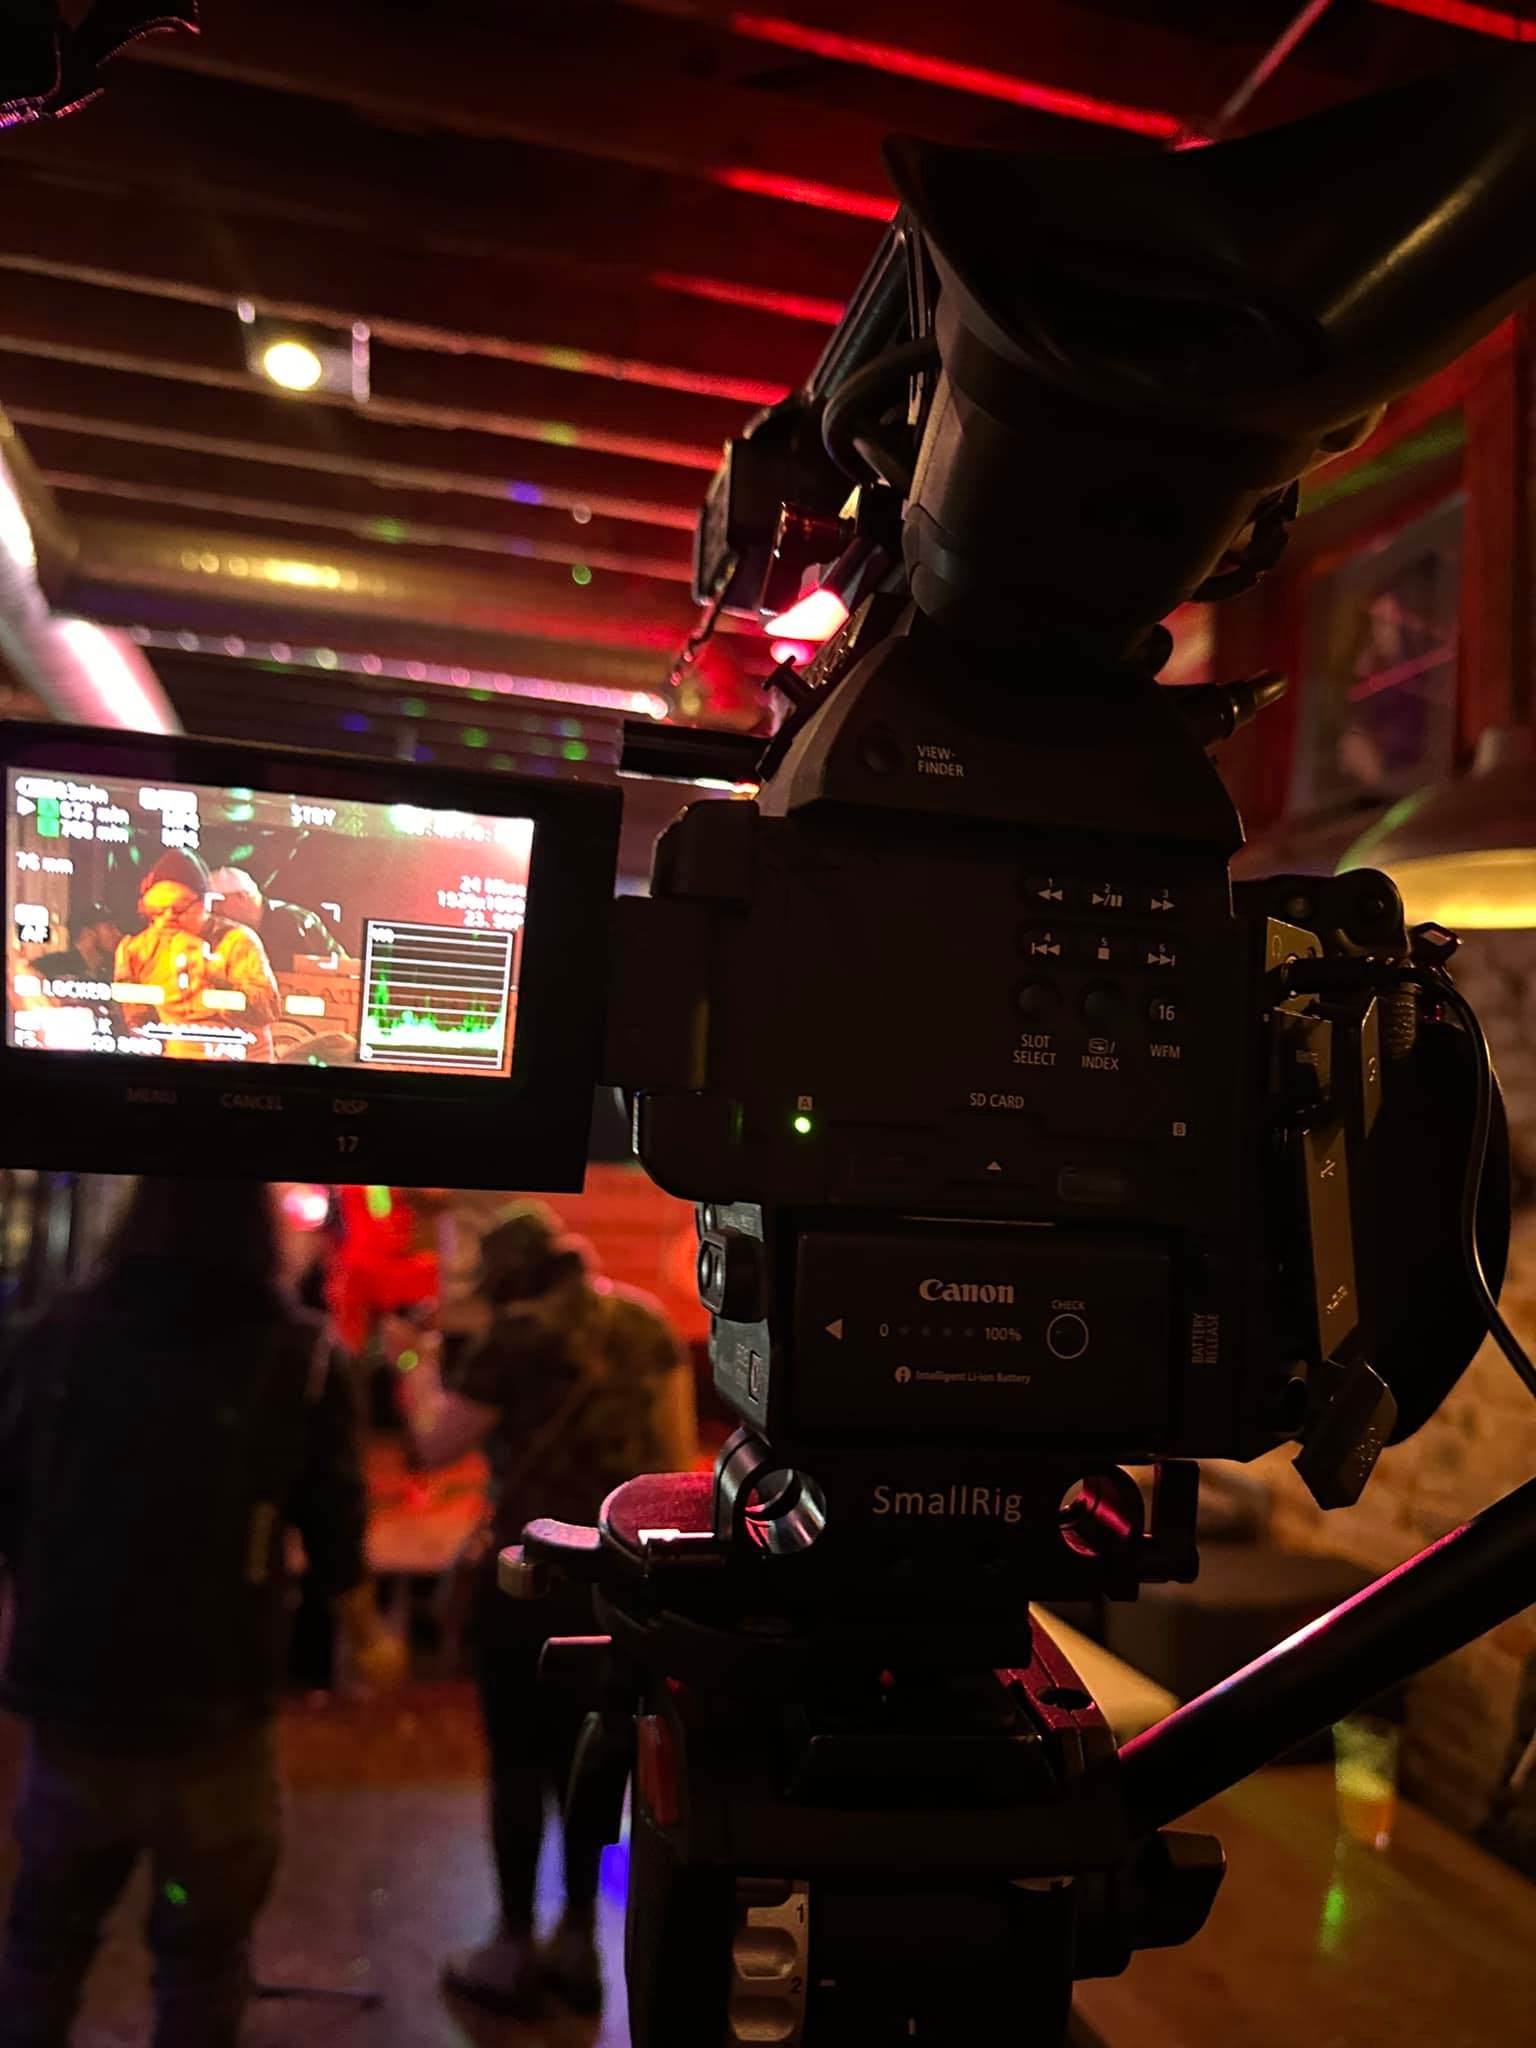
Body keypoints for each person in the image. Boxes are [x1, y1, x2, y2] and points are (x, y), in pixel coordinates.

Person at [0, 1176, 402, 2048]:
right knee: (205, 1963)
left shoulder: (52, 1339)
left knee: (43, 1949)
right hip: (215, 1709)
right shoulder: (298, 1356)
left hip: (73, 1700)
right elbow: (335, 1528)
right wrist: (369, 1642)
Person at [398, 1200, 695, 2019]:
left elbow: (433, 1445)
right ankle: (577, 1944)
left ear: (506, 1278)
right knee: (596, 1762)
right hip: (623, 1588)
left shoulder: (512, 1340)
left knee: (519, 1765)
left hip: (529, 1584)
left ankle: (512, 1944)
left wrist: (408, 1365)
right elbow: (671, 1465)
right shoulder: (641, 1323)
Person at [114, 850, 280, 1060]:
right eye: (156, 912)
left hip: (242, 1060)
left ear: (205, 904)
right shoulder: (136, 950)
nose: (166, 919)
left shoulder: (237, 941)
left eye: (179, 910)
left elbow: (268, 1009)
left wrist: (215, 977)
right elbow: (135, 1021)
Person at [207, 866, 344, 976]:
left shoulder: (295, 920)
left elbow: (341, 966)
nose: (213, 909)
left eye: (218, 902)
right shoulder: (222, 931)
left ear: (241, 897)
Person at [33, 902, 122, 985]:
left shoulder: (109, 974)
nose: (118, 934)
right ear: (88, 934)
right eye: (110, 927)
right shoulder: (54, 965)